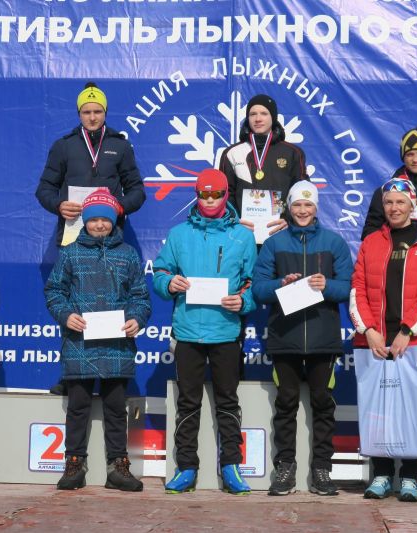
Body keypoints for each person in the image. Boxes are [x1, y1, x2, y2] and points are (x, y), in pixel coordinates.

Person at [36, 81, 146, 395]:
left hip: (110, 236)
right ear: (79, 114)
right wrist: (59, 204)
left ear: (105, 112)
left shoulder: (120, 146)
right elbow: (44, 189)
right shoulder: (64, 146)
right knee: (74, 303)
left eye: (98, 111)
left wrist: (118, 207)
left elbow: (138, 191)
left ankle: (112, 373)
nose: (93, 117)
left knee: (110, 299)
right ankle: (71, 376)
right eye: (87, 112)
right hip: (73, 236)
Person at [153, 168, 257, 495]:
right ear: (196, 195)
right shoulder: (179, 234)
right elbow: (160, 271)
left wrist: (243, 301)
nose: (210, 200)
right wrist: (169, 283)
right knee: (188, 403)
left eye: (216, 194)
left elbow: (253, 282)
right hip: (188, 332)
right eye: (204, 194)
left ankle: (231, 466)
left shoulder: (242, 236)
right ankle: (186, 467)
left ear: (226, 195)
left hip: (226, 332)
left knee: (228, 402)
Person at [44, 188, 151, 492]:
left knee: (116, 408)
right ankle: (74, 464)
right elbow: (54, 291)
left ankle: (118, 467)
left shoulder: (128, 254)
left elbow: (140, 297)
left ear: (114, 221)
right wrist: (66, 315)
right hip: (79, 345)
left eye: (105, 219)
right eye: (93, 219)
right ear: (85, 221)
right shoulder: (70, 253)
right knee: (78, 407)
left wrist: (136, 319)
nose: (100, 224)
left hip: (117, 347)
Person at [350, 177, 417, 503]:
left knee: (412, 411)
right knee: (379, 413)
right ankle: (380, 474)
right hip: (377, 343)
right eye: (389, 202)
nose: (394, 208)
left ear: (412, 205)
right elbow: (357, 289)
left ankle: (409, 476)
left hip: (413, 342)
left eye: (400, 202)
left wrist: (407, 331)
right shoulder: (370, 242)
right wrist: (369, 330)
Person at [252, 181, 353, 497]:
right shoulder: (274, 244)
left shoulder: (334, 242)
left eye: (308, 205)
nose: (303, 210)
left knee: (323, 405)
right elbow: (258, 289)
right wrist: (281, 283)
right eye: (297, 204)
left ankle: (322, 469)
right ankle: (285, 468)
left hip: (323, 339)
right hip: (286, 337)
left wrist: (327, 286)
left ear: (316, 207)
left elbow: (348, 287)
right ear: (289, 207)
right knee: (285, 405)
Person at [219, 94, 307, 238]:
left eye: (264, 113)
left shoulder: (292, 153)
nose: (258, 119)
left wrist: (288, 219)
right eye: (253, 114)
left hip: (281, 231)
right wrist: (234, 221)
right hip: (242, 232)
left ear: (273, 117)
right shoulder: (232, 153)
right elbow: (225, 194)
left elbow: (301, 191)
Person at [360, 126, 417, 239]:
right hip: (397, 248)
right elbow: (370, 232)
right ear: (403, 157)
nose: (415, 160)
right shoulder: (387, 191)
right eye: (410, 154)